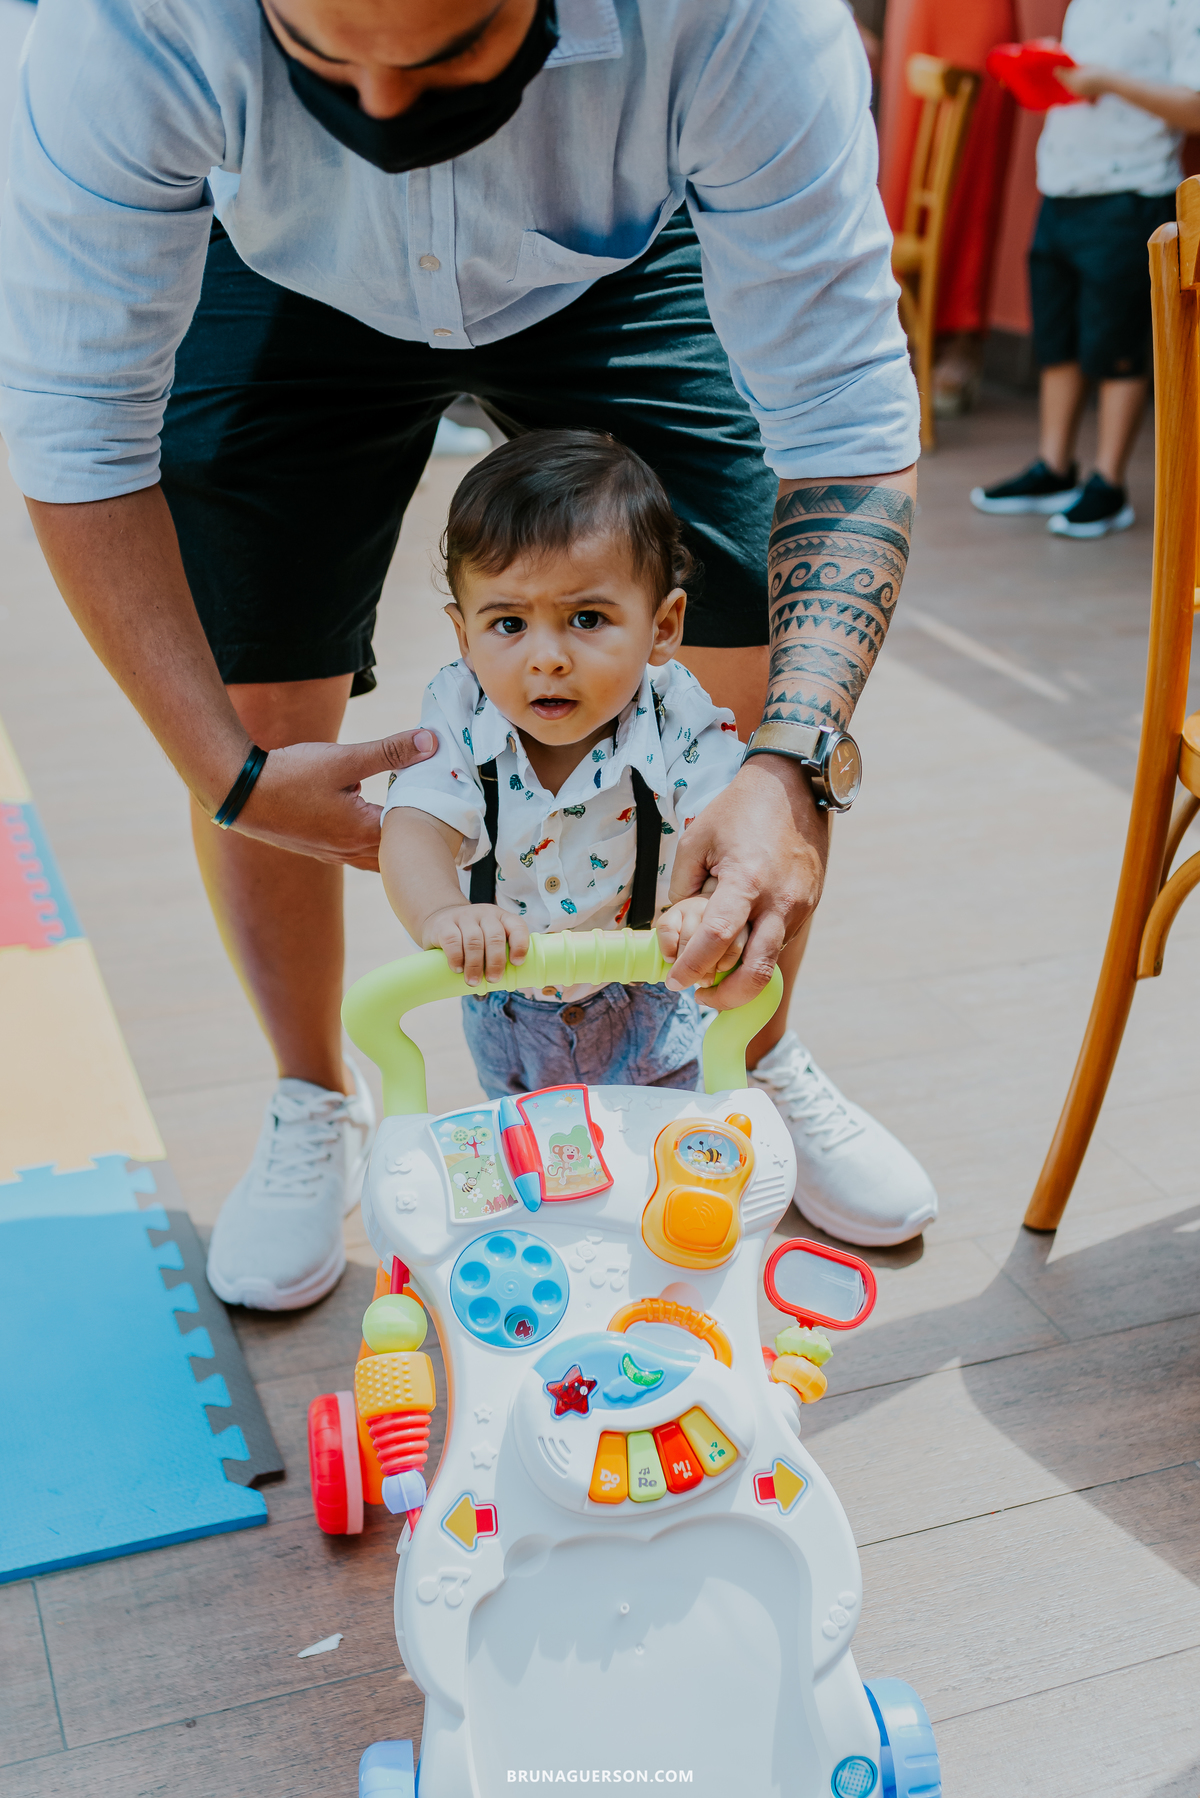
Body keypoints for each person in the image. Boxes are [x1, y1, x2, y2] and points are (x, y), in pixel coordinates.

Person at [0, 0, 937, 1309]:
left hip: (617, 254)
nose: (383, 117)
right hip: (269, 263)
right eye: (324, 59)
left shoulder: (739, 20)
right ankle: (310, 1090)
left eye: (441, 56)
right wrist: (226, 767)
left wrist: (789, 767)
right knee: (260, 689)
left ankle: (749, 1049)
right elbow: (79, 438)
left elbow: (843, 419)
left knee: (741, 645)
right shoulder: (120, 31)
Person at [379, 431, 747, 1102]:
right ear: (464, 636)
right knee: (530, 1153)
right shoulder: (459, 707)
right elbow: (414, 822)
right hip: (505, 1004)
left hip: (650, 992)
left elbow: (726, 817)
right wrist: (441, 914)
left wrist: (703, 907)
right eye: (509, 625)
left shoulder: (674, 715)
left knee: (656, 1164)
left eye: (586, 617)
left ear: (662, 626)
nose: (546, 658)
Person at [971, 0, 1200, 539]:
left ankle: (1108, 482)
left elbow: (1194, 106)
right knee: (1059, 336)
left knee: (1116, 344)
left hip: (1132, 192)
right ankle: (1054, 466)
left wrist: (1108, 81)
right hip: (1063, 183)